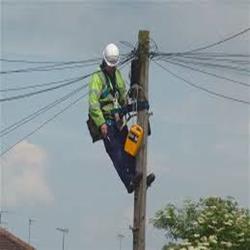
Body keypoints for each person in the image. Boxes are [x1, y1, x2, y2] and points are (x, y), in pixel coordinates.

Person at [88, 43, 155, 193]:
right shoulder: (97, 78)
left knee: (130, 147)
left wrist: (129, 106)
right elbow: (93, 105)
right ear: (104, 61)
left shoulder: (116, 74)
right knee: (116, 152)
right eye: (110, 65)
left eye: (113, 65)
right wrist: (101, 123)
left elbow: (123, 94)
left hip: (118, 119)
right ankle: (129, 181)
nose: (112, 67)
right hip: (106, 122)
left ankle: (139, 177)